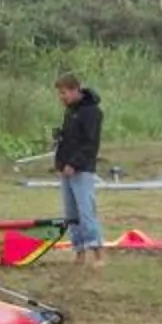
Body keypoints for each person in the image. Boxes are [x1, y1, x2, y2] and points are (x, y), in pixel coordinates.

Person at [49, 71, 105, 266]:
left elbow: (91, 144)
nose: (61, 98)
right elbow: (69, 139)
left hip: (82, 169)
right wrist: (60, 160)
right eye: (60, 94)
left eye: (64, 93)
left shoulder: (92, 112)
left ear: (75, 90)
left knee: (86, 211)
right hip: (65, 168)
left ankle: (98, 253)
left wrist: (74, 164)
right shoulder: (70, 111)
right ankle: (79, 251)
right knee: (71, 213)